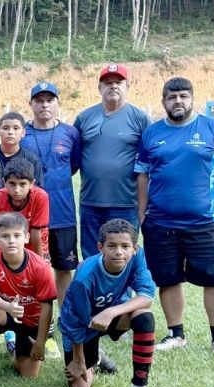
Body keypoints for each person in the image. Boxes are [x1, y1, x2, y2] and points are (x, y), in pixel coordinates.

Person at [135, 77, 214, 361]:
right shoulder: (152, 133)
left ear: (192, 98)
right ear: (163, 102)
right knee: (168, 280)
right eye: (172, 97)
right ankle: (176, 334)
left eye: (183, 96)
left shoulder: (212, 128)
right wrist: (141, 215)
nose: (178, 101)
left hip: (207, 222)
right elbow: (142, 175)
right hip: (161, 223)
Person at [60, 219, 157, 387]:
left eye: (125, 246)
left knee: (144, 318)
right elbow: (72, 322)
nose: (119, 252)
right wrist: (78, 360)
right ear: (100, 247)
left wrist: (111, 311)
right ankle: (94, 358)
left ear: (134, 248)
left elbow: (146, 297)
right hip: (84, 327)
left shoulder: (138, 257)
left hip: (112, 318)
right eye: (112, 246)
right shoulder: (83, 278)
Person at [73, 64, 150, 259]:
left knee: (122, 256)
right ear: (99, 88)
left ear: (127, 86)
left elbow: (149, 162)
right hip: (90, 202)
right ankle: (93, 291)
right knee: (91, 257)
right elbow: (73, 157)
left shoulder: (140, 119)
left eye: (118, 82)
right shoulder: (84, 118)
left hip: (125, 203)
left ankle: (123, 291)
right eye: (107, 83)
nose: (113, 86)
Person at [0, 213, 57, 387]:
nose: (11, 241)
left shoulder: (40, 266)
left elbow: (47, 307)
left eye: (17, 235)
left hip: (32, 320)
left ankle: (13, 346)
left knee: (28, 374)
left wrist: (40, 343)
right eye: (5, 236)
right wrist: (9, 307)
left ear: (27, 238)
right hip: (6, 313)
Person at [20, 83, 83, 303]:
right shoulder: (21, 133)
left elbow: (74, 165)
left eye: (49, 100)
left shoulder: (70, 132)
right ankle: (33, 318)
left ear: (57, 103)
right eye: (39, 101)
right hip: (29, 216)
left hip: (62, 214)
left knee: (64, 268)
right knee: (30, 267)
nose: (44, 105)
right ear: (31, 104)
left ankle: (65, 316)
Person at [0, 112, 43, 195]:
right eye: (5, 128)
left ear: (23, 133)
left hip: (20, 207)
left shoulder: (31, 159)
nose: (11, 132)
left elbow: (37, 191)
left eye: (16, 128)